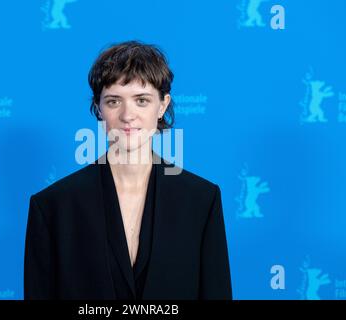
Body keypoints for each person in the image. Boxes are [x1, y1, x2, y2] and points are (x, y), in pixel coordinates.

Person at [24, 40, 232, 299]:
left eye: (141, 100)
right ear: (98, 108)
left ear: (163, 105)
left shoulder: (202, 200)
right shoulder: (53, 206)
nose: (127, 115)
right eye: (113, 101)